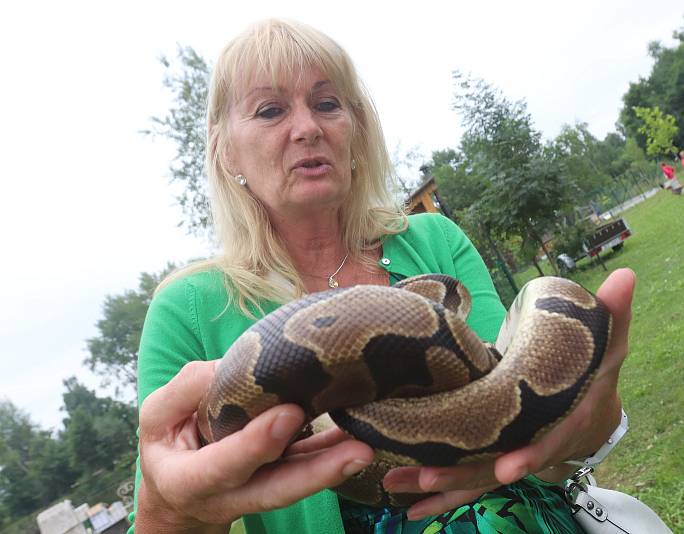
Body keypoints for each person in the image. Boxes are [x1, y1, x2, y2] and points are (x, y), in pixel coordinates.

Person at [130, 18, 636, 534]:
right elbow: (163, 500)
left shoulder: (434, 239)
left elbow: (526, 429)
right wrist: (170, 511)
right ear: (225, 148)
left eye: (327, 104)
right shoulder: (185, 310)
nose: (307, 128)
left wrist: (583, 426)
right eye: (270, 110)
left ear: (356, 128)